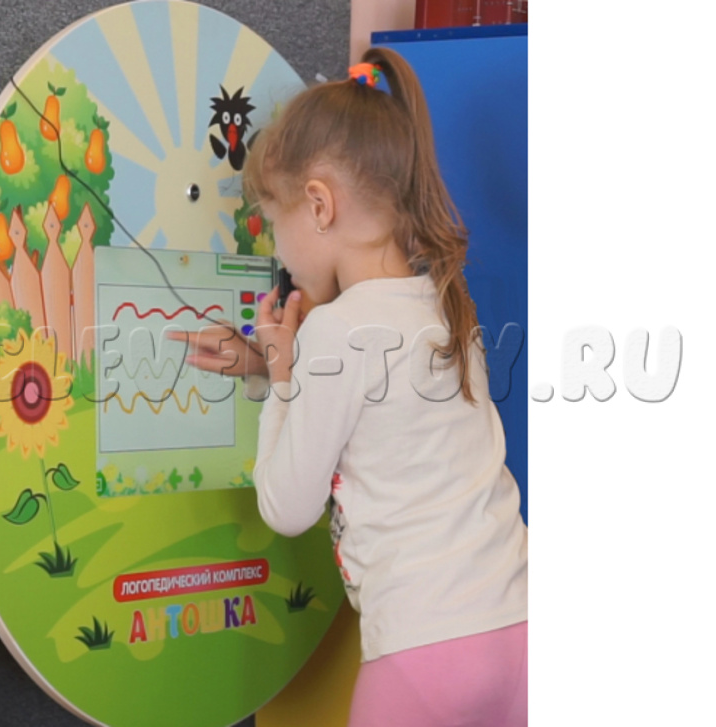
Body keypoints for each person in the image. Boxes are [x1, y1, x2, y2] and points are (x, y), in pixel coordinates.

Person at [168, 47, 528, 726]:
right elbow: (387, 406)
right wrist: (269, 364)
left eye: (273, 225)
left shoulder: (336, 330)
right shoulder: (447, 304)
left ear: (318, 205)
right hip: (520, 629)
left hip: (424, 647)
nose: (278, 254)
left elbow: (286, 506)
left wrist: (282, 376)